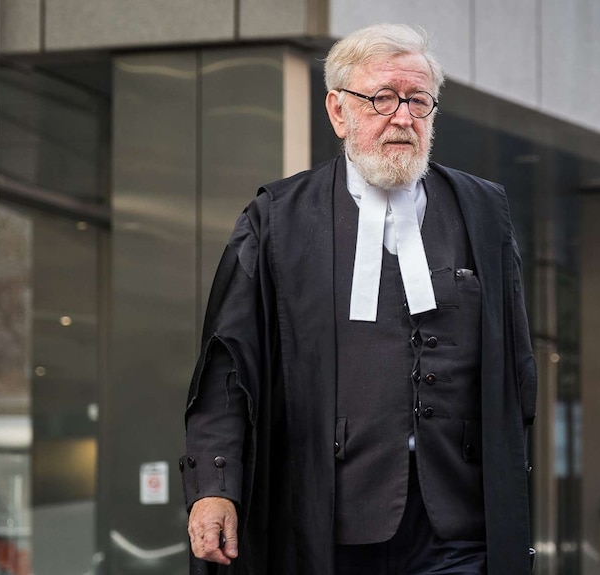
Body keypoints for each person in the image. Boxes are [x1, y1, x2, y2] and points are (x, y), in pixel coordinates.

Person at [181, 23, 537, 575]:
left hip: (460, 523)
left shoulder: (484, 210)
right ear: (338, 111)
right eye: (382, 99)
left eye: (418, 101)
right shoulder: (277, 218)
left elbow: (518, 367)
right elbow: (228, 368)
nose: (403, 117)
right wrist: (214, 485)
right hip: (326, 521)